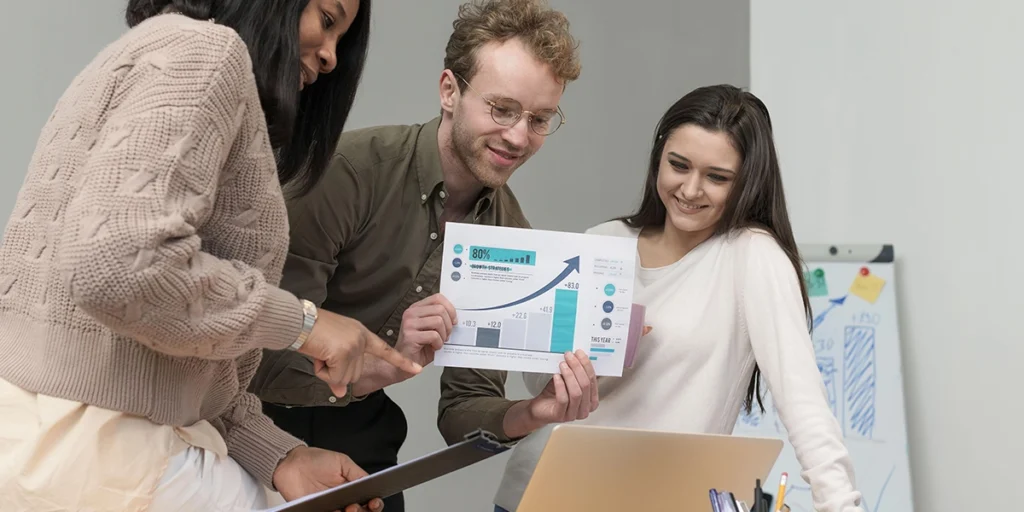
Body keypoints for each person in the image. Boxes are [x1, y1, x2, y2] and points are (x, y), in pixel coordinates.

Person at [0, 1, 420, 511]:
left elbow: (170, 352)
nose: (331, 56)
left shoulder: (140, 53)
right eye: (328, 20)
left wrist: (282, 458)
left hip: (35, 442)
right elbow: (117, 269)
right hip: (112, 459)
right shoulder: (208, 51)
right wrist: (304, 323)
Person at [249, 1, 598, 510]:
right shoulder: (345, 175)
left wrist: (534, 411)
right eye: (502, 109)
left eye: (540, 119)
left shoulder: (511, 236)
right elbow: (258, 352)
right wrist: (385, 366)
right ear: (449, 91)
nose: (519, 136)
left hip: (361, 432)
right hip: (253, 424)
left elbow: (464, 409)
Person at [482, 85, 866, 512]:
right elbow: (541, 389)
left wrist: (841, 505)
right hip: (539, 492)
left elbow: (805, 406)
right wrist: (590, 358)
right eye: (678, 166)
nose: (690, 189)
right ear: (658, 158)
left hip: (658, 499)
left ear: (747, 182)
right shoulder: (604, 241)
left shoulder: (751, 256)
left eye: (717, 177)